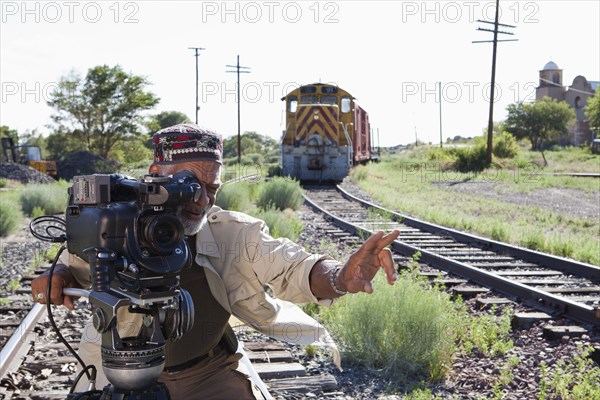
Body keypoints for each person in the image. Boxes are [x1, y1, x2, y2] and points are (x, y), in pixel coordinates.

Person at [31, 123, 400, 399]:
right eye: (190, 185)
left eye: (212, 189)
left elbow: (295, 268)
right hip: (117, 377)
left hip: (208, 375)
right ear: (155, 176)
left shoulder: (233, 233)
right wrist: (58, 275)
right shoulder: (112, 226)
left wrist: (341, 276)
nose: (202, 201)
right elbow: (72, 265)